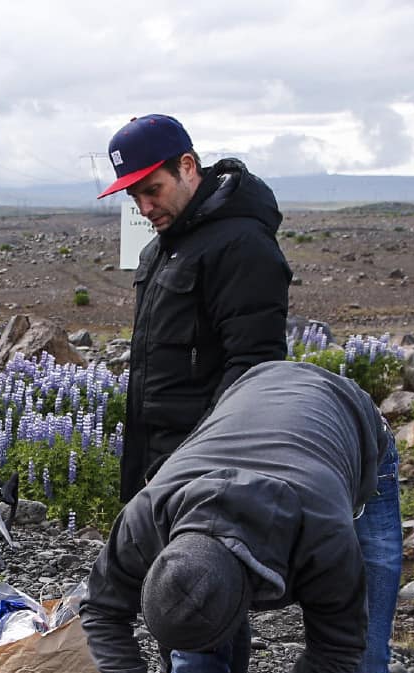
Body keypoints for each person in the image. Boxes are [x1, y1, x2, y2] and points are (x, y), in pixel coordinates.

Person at [80, 360, 401, 673]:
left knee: (364, 667)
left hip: (350, 428)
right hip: (251, 398)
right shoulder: (148, 516)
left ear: (253, 596)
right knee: (195, 646)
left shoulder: (322, 535)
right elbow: (101, 609)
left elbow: (338, 647)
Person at [100, 114, 290, 504]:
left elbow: (252, 368)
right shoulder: (160, 248)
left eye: (153, 190)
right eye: (134, 196)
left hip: (205, 473)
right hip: (154, 465)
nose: (145, 207)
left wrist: (197, 458)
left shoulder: (241, 244)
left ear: (187, 166)